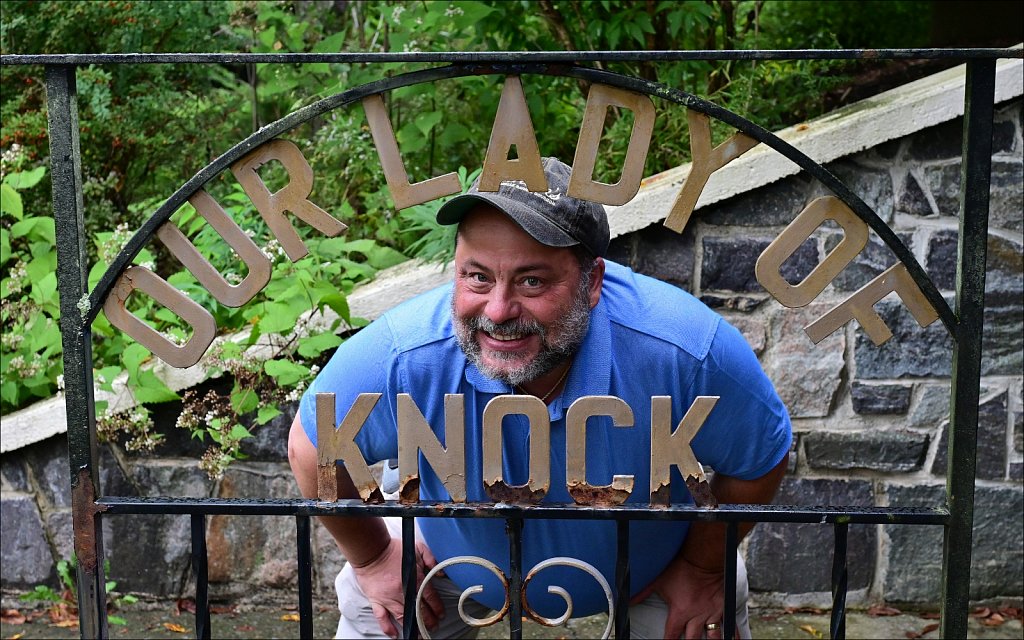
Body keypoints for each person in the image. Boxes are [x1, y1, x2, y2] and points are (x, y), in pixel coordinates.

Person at [288, 157, 791, 639]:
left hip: (658, 569)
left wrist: (704, 567)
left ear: (592, 281)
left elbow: (760, 457)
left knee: (704, 609)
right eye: (477, 276)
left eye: (532, 280)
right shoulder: (408, 351)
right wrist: (374, 558)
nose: (499, 310)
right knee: (375, 607)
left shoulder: (682, 348)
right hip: (443, 558)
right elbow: (313, 450)